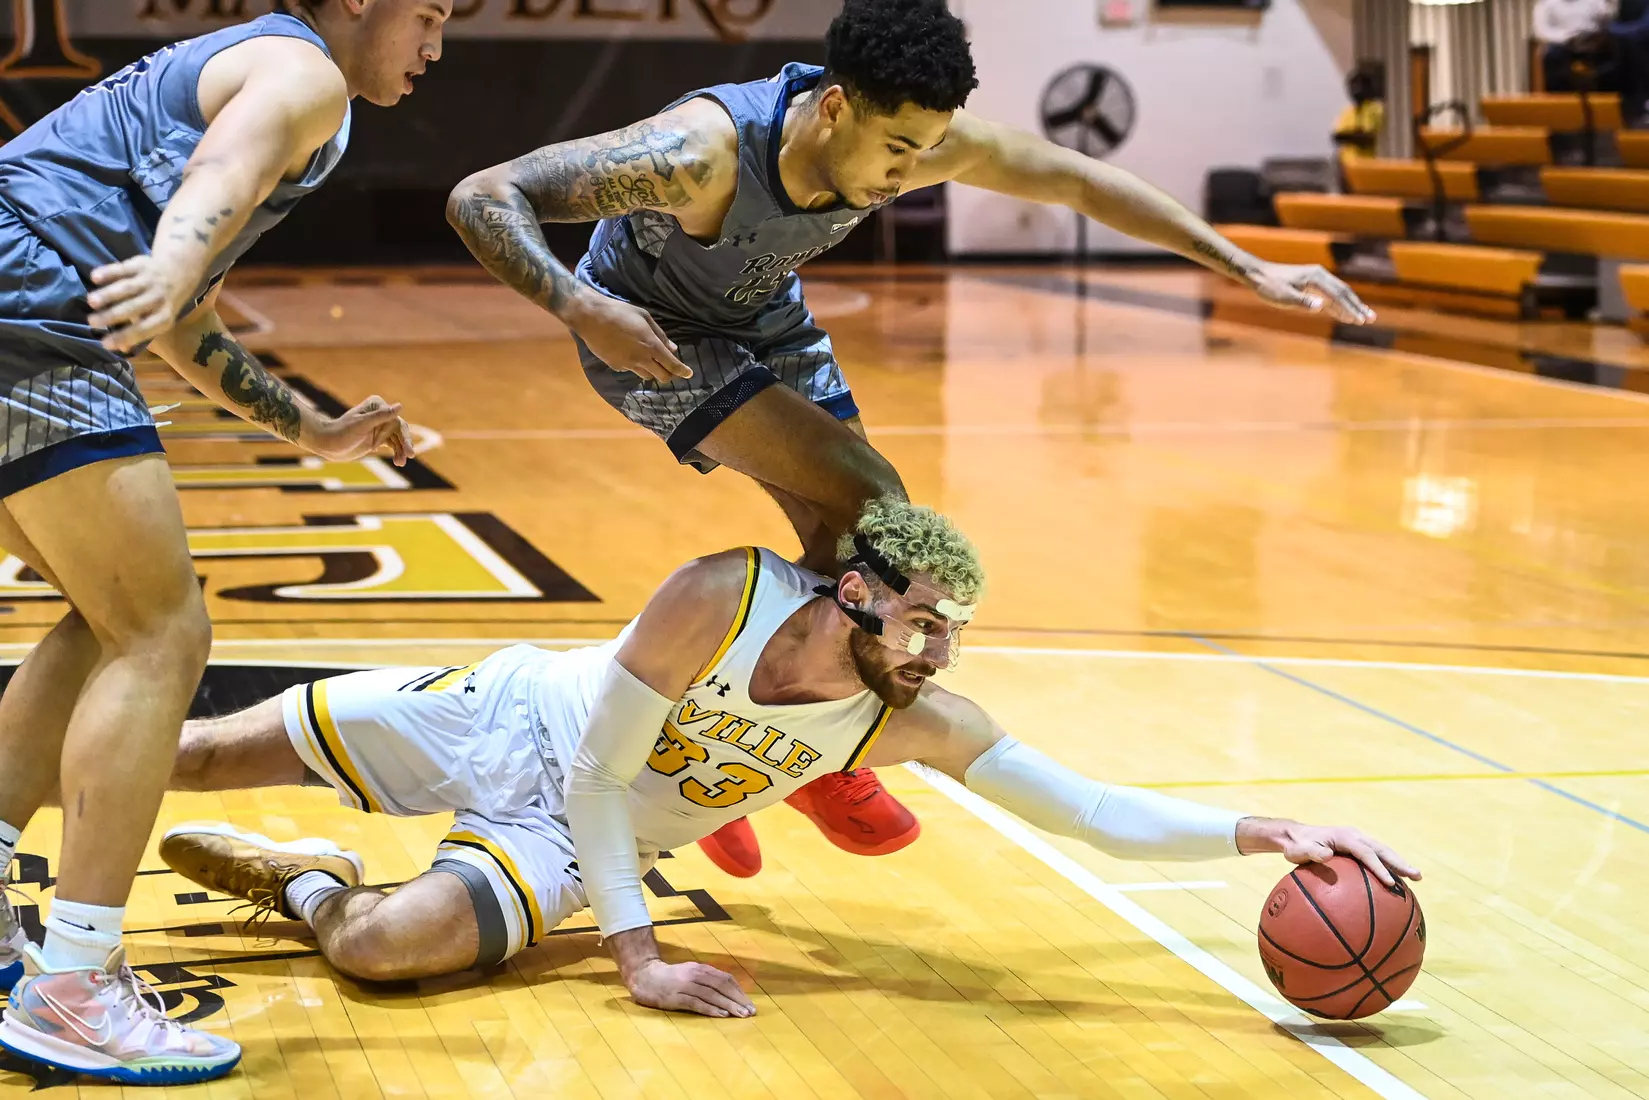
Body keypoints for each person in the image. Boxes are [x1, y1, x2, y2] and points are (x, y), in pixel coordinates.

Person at [445, 0, 1378, 879]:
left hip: (763, 319)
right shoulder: (698, 153)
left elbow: (1074, 177)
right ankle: (760, 750)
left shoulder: (911, 135)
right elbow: (482, 196)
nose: (906, 173)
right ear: (836, 108)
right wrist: (581, 305)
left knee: (853, 552)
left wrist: (1245, 264)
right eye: (895, 148)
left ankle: (724, 739)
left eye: (925, 150)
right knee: (878, 507)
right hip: (649, 334)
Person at [151, 499, 1420, 1019]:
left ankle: (307, 879)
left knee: (381, 949)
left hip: (573, 837)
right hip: (515, 717)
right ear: (855, 591)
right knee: (194, 753)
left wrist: (1265, 833)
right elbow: (598, 767)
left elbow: (1087, 808)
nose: (936, 652)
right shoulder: (721, 591)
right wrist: (639, 957)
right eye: (923, 621)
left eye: (953, 635)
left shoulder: (910, 717)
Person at [0, 0, 446, 1083]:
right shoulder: (306, 76)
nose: (434, 48)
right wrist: (167, 254)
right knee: (162, 635)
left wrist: (313, 425)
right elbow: (217, 183)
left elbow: (186, 314)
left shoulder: (255, 61)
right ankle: (76, 983)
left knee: (109, 624)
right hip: (30, 301)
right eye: (426, 16)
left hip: (18, 289)